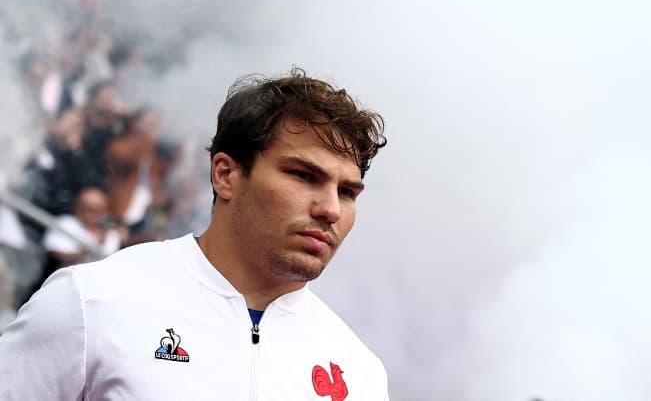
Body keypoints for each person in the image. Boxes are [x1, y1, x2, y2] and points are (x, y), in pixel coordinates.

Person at [0, 69, 389, 400]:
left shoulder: (360, 371)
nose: (331, 209)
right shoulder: (89, 302)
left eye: (347, 192)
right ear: (226, 175)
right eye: (304, 176)